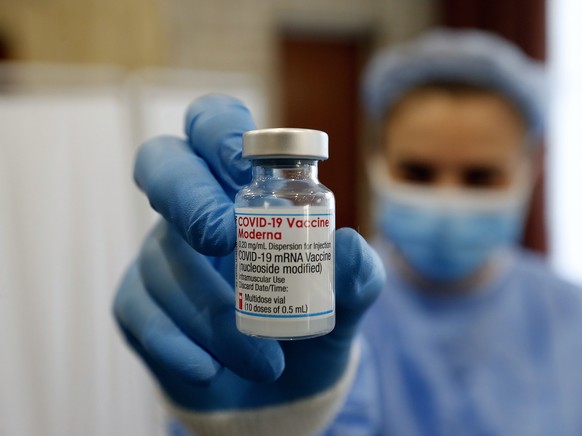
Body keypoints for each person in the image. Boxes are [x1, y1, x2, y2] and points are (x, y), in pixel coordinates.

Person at [113, 29, 582, 435]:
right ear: (375, 159)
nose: (446, 196)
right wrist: (263, 432)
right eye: (417, 171)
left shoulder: (570, 316)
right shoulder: (325, 291)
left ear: (532, 168)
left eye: (480, 176)